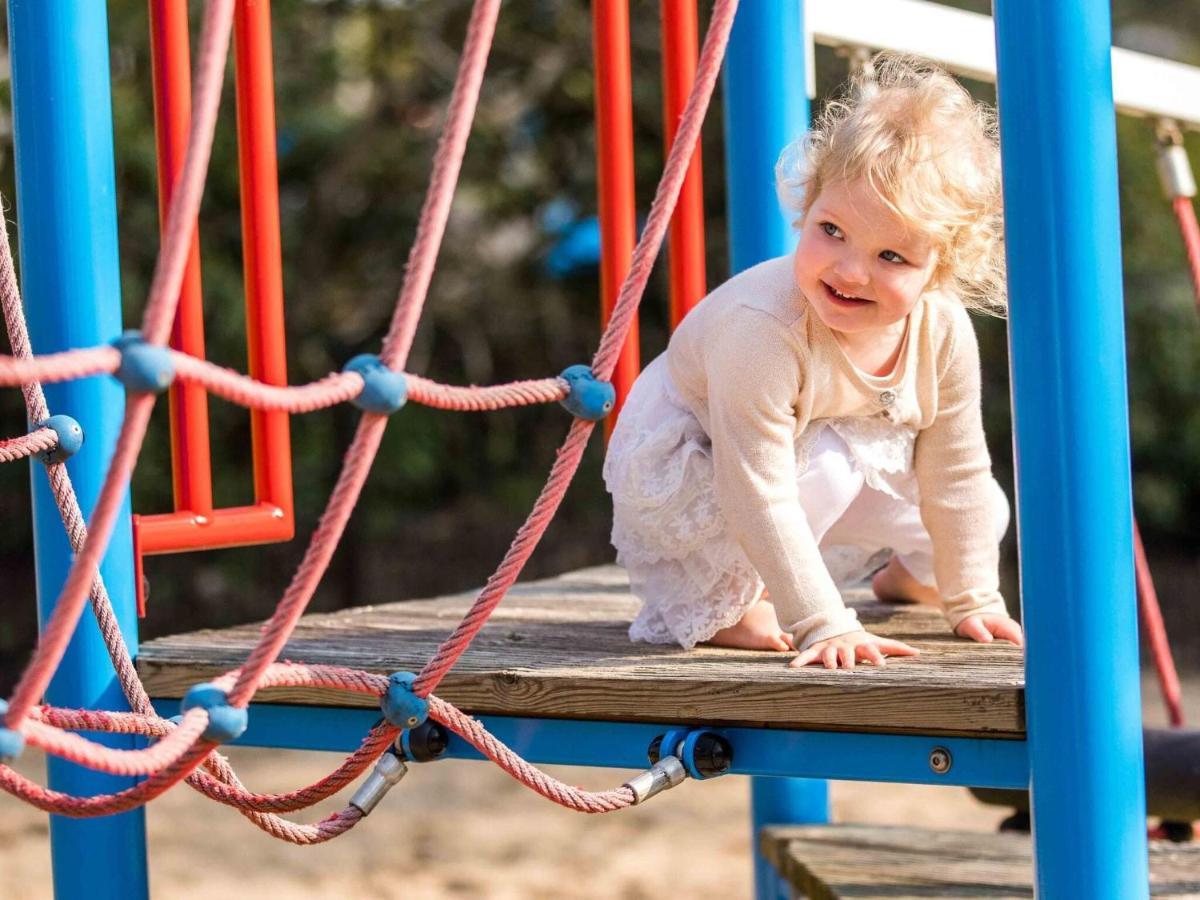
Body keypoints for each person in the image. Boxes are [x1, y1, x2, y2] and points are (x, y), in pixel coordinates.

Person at [603, 53, 1024, 670]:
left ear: (943, 267)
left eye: (892, 257)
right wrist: (823, 623)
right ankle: (744, 600)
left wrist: (973, 598)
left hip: (823, 453)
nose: (851, 271)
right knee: (828, 469)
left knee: (984, 503)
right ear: (809, 204)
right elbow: (757, 488)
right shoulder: (764, 330)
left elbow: (954, 470)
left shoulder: (943, 331)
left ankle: (911, 578)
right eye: (831, 230)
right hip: (705, 461)